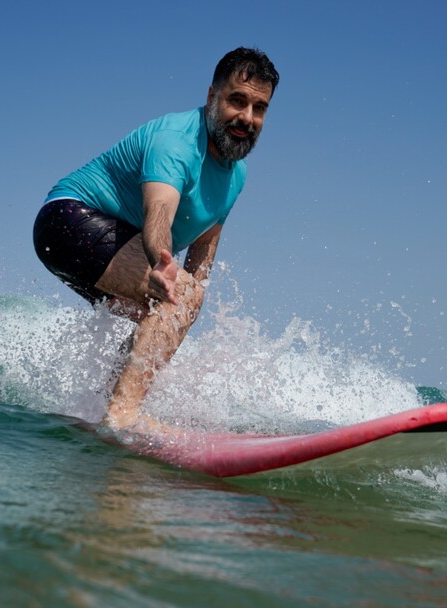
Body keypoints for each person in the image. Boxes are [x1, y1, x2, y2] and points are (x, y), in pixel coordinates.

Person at [33, 47, 279, 433]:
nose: (247, 118)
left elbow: (206, 242)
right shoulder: (176, 142)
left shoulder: (236, 174)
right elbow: (158, 213)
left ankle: (102, 407)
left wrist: (190, 298)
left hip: (113, 242)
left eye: (259, 108)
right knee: (178, 296)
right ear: (212, 95)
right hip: (67, 220)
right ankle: (122, 415)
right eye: (237, 101)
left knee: (164, 310)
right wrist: (163, 262)